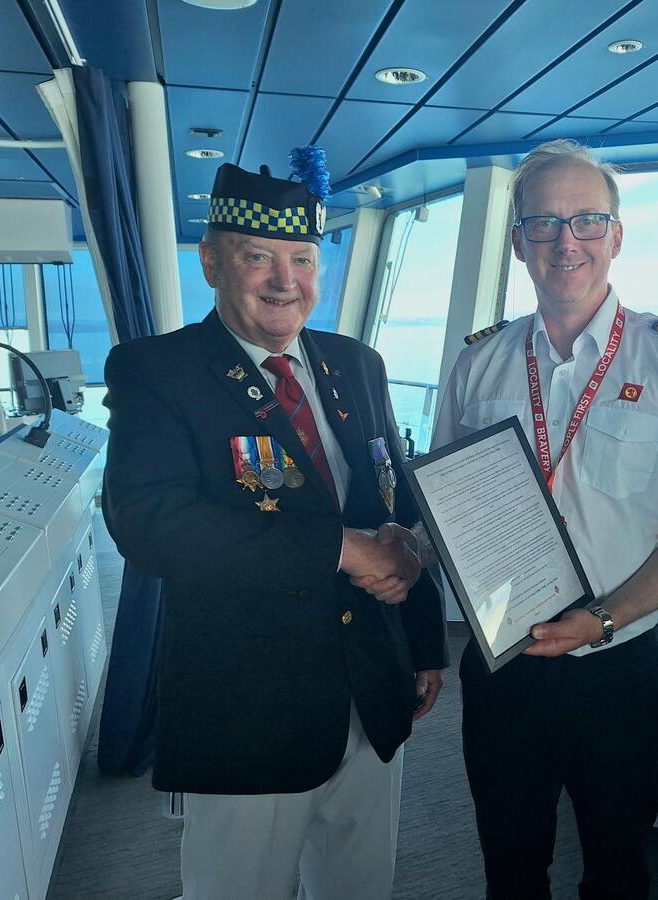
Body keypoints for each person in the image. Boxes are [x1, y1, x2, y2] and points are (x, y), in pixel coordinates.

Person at [101, 150, 448, 900]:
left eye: (302, 257)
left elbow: (397, 508)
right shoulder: (157, 371)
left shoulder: (358, 364)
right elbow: (151, 524)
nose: (285, 280)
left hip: (371, 685)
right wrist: (339, 550)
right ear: (212, 263)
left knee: (361, 884)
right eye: (258, 257)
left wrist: (423, 642)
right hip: (247, 707)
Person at [429, 139, 658, 899]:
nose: (567, 241)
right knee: (509, 868)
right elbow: (445, 509)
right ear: (518, 241)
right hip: (503, 664)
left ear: (616, 235)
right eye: (545, 223)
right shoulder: (476, 364)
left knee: (618, 869)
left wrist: (601, 621)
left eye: (587, 220)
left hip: (613, 666)